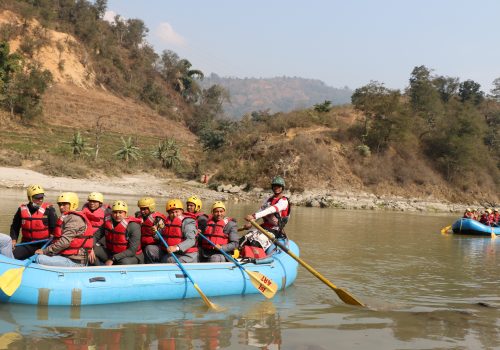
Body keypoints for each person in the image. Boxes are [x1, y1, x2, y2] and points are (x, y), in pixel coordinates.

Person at [35, 192, 94, 267]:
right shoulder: (67, 217)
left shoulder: (74, 219)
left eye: (64, 204)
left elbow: (64, 242)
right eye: (60, 204)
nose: (61, 207)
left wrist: (44, 251)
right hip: (66, 256)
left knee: (39, 258)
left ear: (73, 204)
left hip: (75, 261)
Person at [10, 184, 57, 260]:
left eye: (41, 197)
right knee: (12, 256)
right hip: (27, 244)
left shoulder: (49, 210)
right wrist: (13, 240)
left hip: (44, 245)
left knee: (41, 260)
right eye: (37, 198)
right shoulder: (21, 210)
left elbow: (55, 230)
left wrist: (49, 247)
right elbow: (15, 227)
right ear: (30, 198)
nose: (40, 200)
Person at [144, 199, 198, 263]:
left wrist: (176, 247)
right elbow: (160, 238)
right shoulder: (166, 221)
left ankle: (162, 267)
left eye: (177, 211)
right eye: (172, 212)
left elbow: (191, 240)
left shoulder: (188, 222)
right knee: (149, 249)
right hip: (168, 251)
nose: (174, 214)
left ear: (181, 211)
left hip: (186, 255)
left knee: (168, 259)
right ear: (168, 213)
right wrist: (155, 232)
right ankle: (152, 268)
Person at [93, 200, 144, 265]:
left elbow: (132, 251)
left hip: (131, 256)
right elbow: (95, 236)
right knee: (90, 250)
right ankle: (99, 271)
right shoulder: (108, 222)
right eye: (115, 212)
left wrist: (113, 258)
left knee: (124, 262)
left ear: (125, 213)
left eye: (120, 212)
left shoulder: (133, 226)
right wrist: (90, 248)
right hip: (112, 253)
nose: (117, 215)